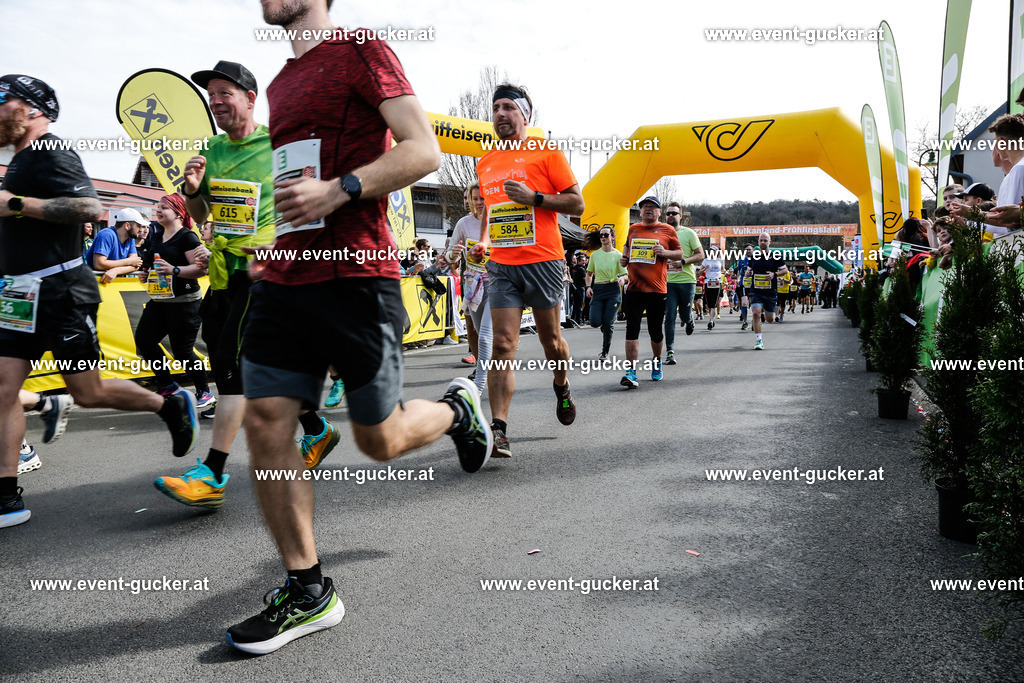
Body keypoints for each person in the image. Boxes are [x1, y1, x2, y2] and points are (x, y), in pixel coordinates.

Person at [226, 1, 491, 654]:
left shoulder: (359, 48)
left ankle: (458, 408)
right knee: (264, 419)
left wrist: (340, 189)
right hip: (287, 277)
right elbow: (294, 184)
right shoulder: (282, 81)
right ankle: (309, 589)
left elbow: (423, 150)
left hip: (356, 277)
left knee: (378, 438)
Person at [0, 74, 199, 529]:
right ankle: (6, 496)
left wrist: (13, 204)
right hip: (17, 293)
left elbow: (88, 209)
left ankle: (169, 405)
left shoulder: (51, 150)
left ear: (32, 109)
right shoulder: (16, 162)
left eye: (1, 98)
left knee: (87, 393)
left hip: (60, 292)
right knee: (2, 388)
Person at [162, 60, 340, 510]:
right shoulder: (212, 149)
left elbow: (307, 202)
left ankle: (213, 473)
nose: (216, 100)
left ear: (249, 98)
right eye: (212, 94)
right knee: (258, 368)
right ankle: (317, 429)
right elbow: (202, 215)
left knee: (230, 368)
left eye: (226, 92)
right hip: (222, 272)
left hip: (262, 271)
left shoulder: (279, 142)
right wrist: (194, 189)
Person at [471, 81, 584, 457]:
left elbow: (577, 204)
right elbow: (490, 209)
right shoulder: (484, 162)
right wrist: (484, 242)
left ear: (525, 115)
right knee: (502, 344)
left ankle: (562, 384)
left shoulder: (545, 153)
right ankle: (498, 428)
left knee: (551, 342)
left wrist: (535, 198)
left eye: (508, 108)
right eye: (496, 108)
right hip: (503, 266)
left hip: (544, 262)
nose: (500, 114)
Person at [134, 194, 214, 407]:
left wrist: (174, 270)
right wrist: (145, 275)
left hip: (185, 303)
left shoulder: (187, 237)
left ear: (178, 212)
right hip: (160, 301)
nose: (157, 210)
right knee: (144, 340)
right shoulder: (157, 236)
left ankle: (204, 392)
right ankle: (166, 384)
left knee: (182, 352)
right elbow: (151, 266)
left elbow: (200, 269)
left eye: (163, 208)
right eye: (157, 207)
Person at [618, 196, 682, 388]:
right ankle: (631, 371)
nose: (648, 209)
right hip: (635, 288)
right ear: (639, 211)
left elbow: (679, 253)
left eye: (652, 207)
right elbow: (627, 247)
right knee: (632, 330)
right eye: (644, 207)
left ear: (659, 212)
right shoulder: (633, 228)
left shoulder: (667, 230)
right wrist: (624, 258)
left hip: (657, 289)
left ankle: (656, 361)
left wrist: (665, 252)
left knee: (655, 331)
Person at [445, 181, 492, 393]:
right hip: (473, 285)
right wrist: (453, 254)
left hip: (497, 284)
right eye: (475, 199)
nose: (479, 202)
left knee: (485, 336)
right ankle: (490, 370)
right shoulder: (463, 224)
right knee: (477, 331)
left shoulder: (497, 220)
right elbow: (449, 258)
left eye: (482, 198)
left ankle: (479, 386)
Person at [663, 201, 703, 365]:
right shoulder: (660, 234)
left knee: (685, 314)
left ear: (681, 216)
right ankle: (670, 351)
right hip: (667, 282)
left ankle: (689, 320)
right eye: (668, 213)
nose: (671, 215)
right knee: (670, 316)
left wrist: (684, 261)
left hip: (687, 280)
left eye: (674, 213)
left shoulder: (689, 233)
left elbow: (700, 255)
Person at [581, 227, 627, 361]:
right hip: (598, 290)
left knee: (608, 323)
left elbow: (626, 275)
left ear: (612, 237)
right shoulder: (595, 255)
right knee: (595, 322)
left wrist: (622, 279)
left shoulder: (618, 255)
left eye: (606, 235)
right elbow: (588, 274)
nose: (603, 237)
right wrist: (588, 287)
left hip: (613, 290)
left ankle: (605, 351)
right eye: (601, 235)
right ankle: (605, 327)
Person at [745, 232, 788, 350]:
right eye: (761, 240)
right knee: (755, 313)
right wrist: (748, 273)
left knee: (770, 319)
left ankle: (766, 313)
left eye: (765, 240)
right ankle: (759, 341)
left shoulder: (775, 256)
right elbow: (748, 271)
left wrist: (775, 274)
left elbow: (785, 270)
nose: (763, 242)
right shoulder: (754, 256)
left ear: (770, 242)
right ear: (758, 242)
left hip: (770, 291)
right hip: (756, 290)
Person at [85, 208, 146, 283]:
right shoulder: (106, 235)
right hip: (94, 283)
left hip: (110, 283)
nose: (140, 229)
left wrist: (116, 270)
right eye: (138, 225)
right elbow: (99, 264)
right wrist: (129, 261)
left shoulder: (130, 238)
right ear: (127, 225)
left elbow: (136, 264)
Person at [700, 242, 724, 330]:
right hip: (708, 283)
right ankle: (712, 319)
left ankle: (711, 320)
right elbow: (699, 271)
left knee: (714, 303)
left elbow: (723, 270)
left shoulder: (720, 260)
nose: (712, 252)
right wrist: (705, 269)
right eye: (710, 251)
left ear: (717, 252)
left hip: (717, 283)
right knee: (709, 304)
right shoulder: (706, 260)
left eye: (714, 251)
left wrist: (721, 274)